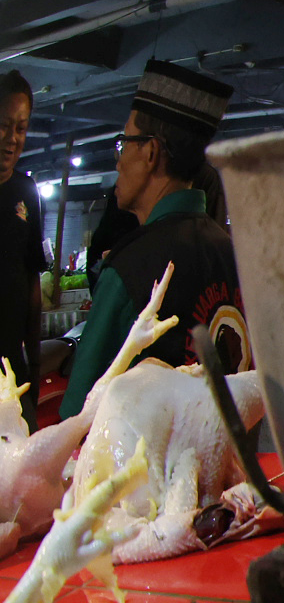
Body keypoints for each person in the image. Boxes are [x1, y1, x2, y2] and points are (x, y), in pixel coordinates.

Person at [58, 60, 243, 418]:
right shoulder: (233, 255)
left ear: (150, 152)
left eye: (123, 143)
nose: (117, 160)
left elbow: (77, 420)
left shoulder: (132, 269)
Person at [0, 71, 43, 430]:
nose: (11, 139)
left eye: (21, 128)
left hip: (13, 371)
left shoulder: (27, 192)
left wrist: (35, 364)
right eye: (3, 126)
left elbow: (32, 280)